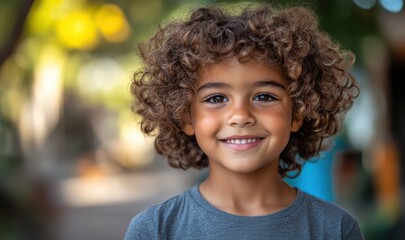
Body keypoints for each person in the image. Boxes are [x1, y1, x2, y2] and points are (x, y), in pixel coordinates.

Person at [125, 3, 363, 240]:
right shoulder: (154, 230)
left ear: (298, 112)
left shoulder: (336, 229)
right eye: (216, 98)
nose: (240, 116)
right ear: (186, 116)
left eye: (264, 97)